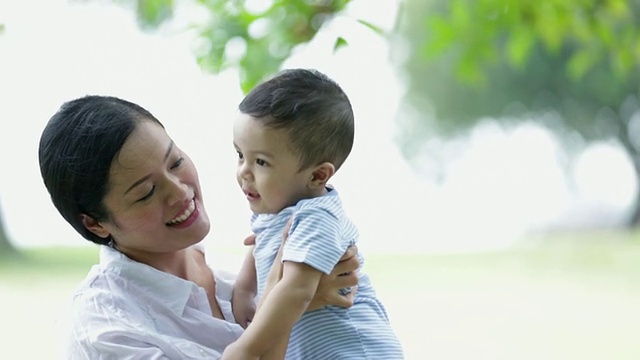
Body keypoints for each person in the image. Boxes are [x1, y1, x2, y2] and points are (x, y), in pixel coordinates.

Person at [38, 95, 361, 359]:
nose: (180, 191)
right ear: (95, 224)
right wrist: (291, 307)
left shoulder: (241, 268)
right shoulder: (107, 332)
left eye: (175, 162)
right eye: (146, 193)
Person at [227, 68, 404, 359]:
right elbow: (261, 252)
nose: (244, 171)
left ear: (318, 175)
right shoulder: (276, 213)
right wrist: (244, 293)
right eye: (239, 155)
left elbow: (296, 290)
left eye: (261, 161)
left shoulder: (316, 218)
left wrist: (245, 349)